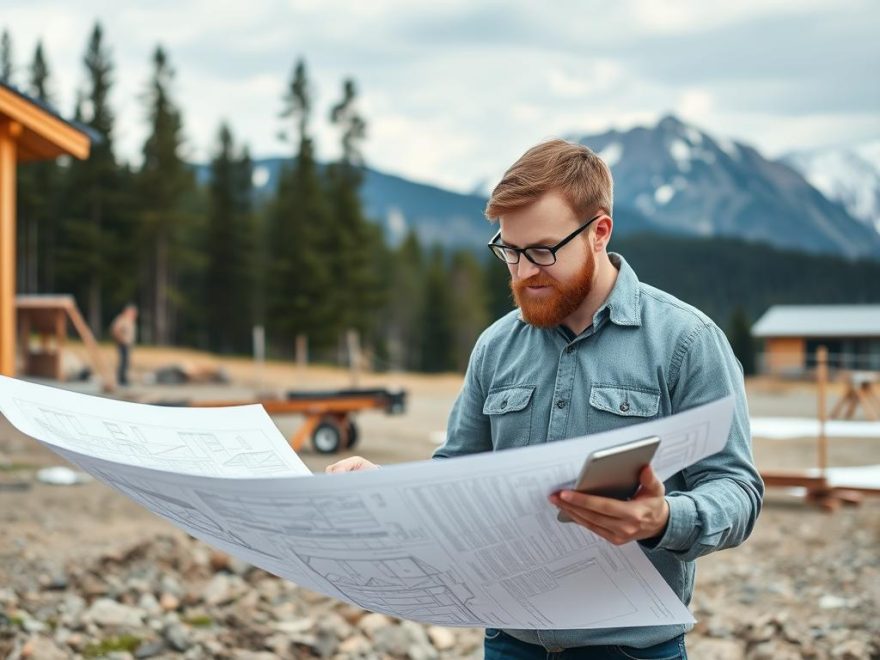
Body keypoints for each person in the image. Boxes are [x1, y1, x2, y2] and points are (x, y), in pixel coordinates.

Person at [327, 139, 763, 659]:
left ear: (599, 232)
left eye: (542, 251)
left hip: (629, 651)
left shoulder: (687, 341)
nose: (522, 271)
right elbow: (455, 478)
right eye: (509, 251)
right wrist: (384, 490)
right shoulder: (495, 346)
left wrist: (662, 519)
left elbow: (738, 491)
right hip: (509, 643)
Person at [110, 303, 137, 386]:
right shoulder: (122, 319)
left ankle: (124, 379)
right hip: (123, 344)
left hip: (127, 344)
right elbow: (115, 329)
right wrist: (120, 339)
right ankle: (121, 380)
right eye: (133, 312)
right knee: (123, 362)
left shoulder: (129, 320)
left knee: (126, 362)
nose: (135, 314)